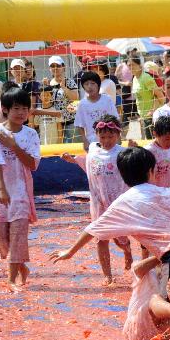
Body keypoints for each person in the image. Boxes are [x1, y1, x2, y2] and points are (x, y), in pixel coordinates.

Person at [51, 147, 170, 340]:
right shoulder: (169, 193)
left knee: (157, 309)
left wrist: (70, 251)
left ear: (122, 175)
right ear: (151, 171)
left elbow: (94, 228)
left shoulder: (125, 201)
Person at [61, 114, 134, 284]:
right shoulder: (94, 149)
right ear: (97, 135)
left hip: (117, 203)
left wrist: (135, 149)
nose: (107, 140)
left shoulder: (122, 153)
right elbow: (88, 162)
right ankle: (107, 275)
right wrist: (72, 159)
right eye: (103, 137)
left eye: (111, 136)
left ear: (118, 135)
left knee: (120, 239)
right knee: (101, 238)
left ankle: (127, 250)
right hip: (98, 202)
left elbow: (136, 167)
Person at [0, 87, 41, 290]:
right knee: (4, 238)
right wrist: (1, 190)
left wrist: (14, 145)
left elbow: (32, 164)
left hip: (21, 191)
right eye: (16, 108)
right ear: (6, 109)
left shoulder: (31, 134)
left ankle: (11, 279)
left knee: (18, 235)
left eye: (25, 108)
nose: (21, 113)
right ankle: (21, 267)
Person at [74, 70, 119, 151]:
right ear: (83, 87)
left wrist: (118, 137)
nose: (89, 86)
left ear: (98, 85)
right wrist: (85, 141)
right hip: (92, 142)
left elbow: (115, 119)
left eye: (92, 83)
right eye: (86, 84)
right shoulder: (82, 104)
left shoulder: (107, 99)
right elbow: (80, 125)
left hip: (109, 139)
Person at [41, 56, 79, 144]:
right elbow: (45, 102)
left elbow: (76, 99)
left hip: (69, 123)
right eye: (52, 66)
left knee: (73, 151)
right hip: (54, 125)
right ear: (49, 68)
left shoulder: (69, 81)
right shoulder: (48, 83)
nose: (55, 68)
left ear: (63, 67)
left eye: (58, 66)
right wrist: (44, 87)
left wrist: (64, 87)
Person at [127, 57, 164, 136]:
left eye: (132, 65)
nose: (130, 67)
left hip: (152, 117)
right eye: (128, 65)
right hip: (143, 116)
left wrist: (153, 111)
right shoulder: (135, 78)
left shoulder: (146, 77)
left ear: (140, 65)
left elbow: (161, 97)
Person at [145, 115, 170, 188]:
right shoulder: (148, 151)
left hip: (169, 187)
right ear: (155, 133)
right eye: (167, 139)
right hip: (154, 189)